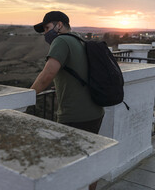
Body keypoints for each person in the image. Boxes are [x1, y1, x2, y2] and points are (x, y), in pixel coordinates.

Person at [31, 11, 104, 190]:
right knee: (89, 156)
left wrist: (25, 96)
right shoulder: (80, 40)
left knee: (65, 163)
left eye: (47, 28)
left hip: (74, 114)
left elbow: (47, 75)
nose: (45, 34)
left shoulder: (61, 41)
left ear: (60, 25)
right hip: (95, 111)